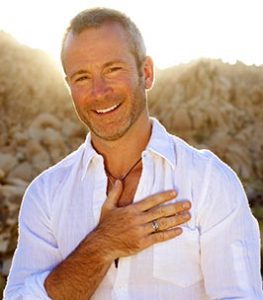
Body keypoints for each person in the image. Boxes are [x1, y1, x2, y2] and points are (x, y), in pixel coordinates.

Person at [4, 7, 263, 300]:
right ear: (69, 87)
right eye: (82, 78)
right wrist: (101, 245)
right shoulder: (46, 195)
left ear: (147, 73)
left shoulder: (209, 182)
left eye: (113, 70)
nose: (99, 91)